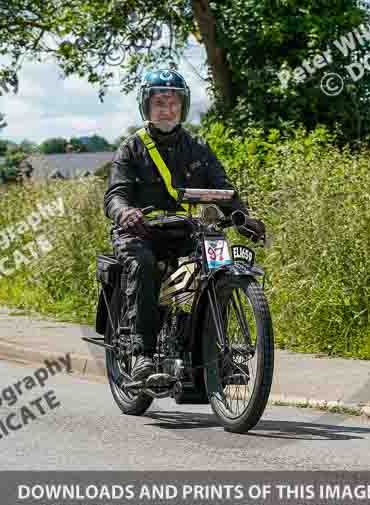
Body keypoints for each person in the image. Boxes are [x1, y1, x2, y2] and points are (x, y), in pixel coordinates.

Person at [103, 68, 265, 382]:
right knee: (144, 264)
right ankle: (141, 354)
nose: (167, 110)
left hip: (186, 231)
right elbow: (115, 196)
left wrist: (243, 217)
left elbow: (224, 189)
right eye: (160, 103)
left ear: (184, 107)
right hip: (142, 234)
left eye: (174, 103)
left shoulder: (198, 147)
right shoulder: (132, 148)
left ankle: (217, 354)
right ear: (147, 108)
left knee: (219, 264)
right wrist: (126, 213)